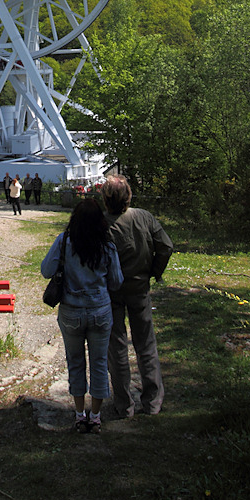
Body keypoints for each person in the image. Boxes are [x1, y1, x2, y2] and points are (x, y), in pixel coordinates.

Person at [41, 198, 123, 434]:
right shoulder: (107, 246)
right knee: (99, 363)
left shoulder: (64, 241)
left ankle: (79, 415)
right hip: (100, 310)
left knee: (75, 363)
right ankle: (95, 417)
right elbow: (116, 282)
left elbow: (46, 270)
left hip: (71, 311)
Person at [101, 175, 173, 417]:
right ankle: (152, 402)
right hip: (139, 289)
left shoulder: (101, 225)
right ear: (128, 196)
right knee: (145, 345)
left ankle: (124, 405)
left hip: (112, 293)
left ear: (106, 199)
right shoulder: (143, 217)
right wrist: (153, 272)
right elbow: (166, 245)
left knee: (117, 349)